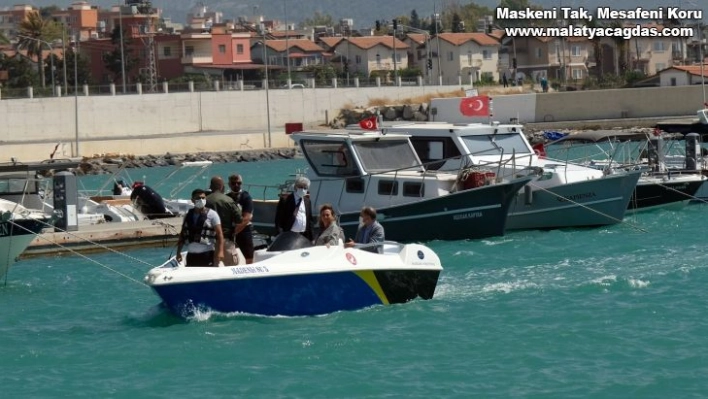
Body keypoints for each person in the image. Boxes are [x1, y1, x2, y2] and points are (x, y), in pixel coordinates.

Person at [176, 188, 225, 267]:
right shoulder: (188, 215)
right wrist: (178, 252)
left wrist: (220, 251)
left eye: (203, 198)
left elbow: (220, 234)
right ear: (192, 200)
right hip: (191, 255)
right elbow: (183, 235)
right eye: (198, 198)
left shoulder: (212, 214)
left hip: (207, 254)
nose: (201, 200)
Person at [206, 176, 242, 266]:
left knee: (211, 270)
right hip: (226, 240)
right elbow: (239, 219)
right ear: (222, 186)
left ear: (210, 186)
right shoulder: (228, 200)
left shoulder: (205, 200)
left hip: (208, 241)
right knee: (232, 269)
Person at [274, 176, 313, 241]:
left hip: (303, 235)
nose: (303, 189)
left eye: (305, 188)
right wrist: (280, 235)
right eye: (300, 187)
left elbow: (310, 220)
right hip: (289, 234)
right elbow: (278, 220)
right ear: (295, 187)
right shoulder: (285, 200)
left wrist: (312, 238)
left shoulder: (307, 201)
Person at [227, 174, 255, 264]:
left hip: (244, 229)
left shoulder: (246, 197)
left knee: (249, 256)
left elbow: (247, 218)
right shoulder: (227, 197)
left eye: (238, 183)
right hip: (230, 229)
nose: (236, 185)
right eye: (233, 183)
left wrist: (235, 231)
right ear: (229, 184)